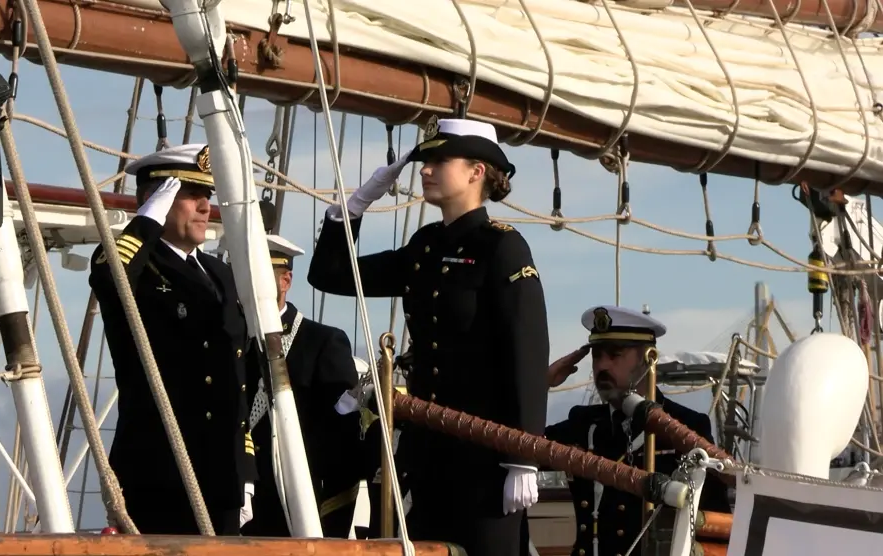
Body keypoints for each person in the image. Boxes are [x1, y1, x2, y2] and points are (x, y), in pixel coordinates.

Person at [307, 118, 550, 555]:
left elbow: (527, 354)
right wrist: (353, 208)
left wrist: (523, 456)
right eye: (424, 161)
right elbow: (331, 275)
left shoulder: (502, 247)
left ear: (477, 172)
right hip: (428, 453)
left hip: (487, 456)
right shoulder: (425, 246)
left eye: (440, 160)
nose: (425, 169)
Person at [88, 144, 256, 535]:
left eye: (208, 196)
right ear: (157, 202)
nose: (204, 207)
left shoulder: (219, 274)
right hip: (159, 470)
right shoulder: (135, 264)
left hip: (222, 473)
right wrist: (145, 221)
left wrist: (246, 467)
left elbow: (240, 374)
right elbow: (110, 280)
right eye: (191, 196)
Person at [543, 306, 732, 556]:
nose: (602, 366)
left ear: (648, 358)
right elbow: (515, 446)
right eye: (597, 355)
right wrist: (541, 384)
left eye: (614, 354)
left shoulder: (686, 427)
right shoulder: (585, 424)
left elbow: (715, 523)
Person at [239, 235, 364, 538]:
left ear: (285, 281)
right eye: (243, 278)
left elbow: (342, 442)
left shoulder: (321, 342)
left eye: (259, 277)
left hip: (292, 506)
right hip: (228, 494)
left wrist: (330, 520)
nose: (249, 287)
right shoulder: (227, 340)